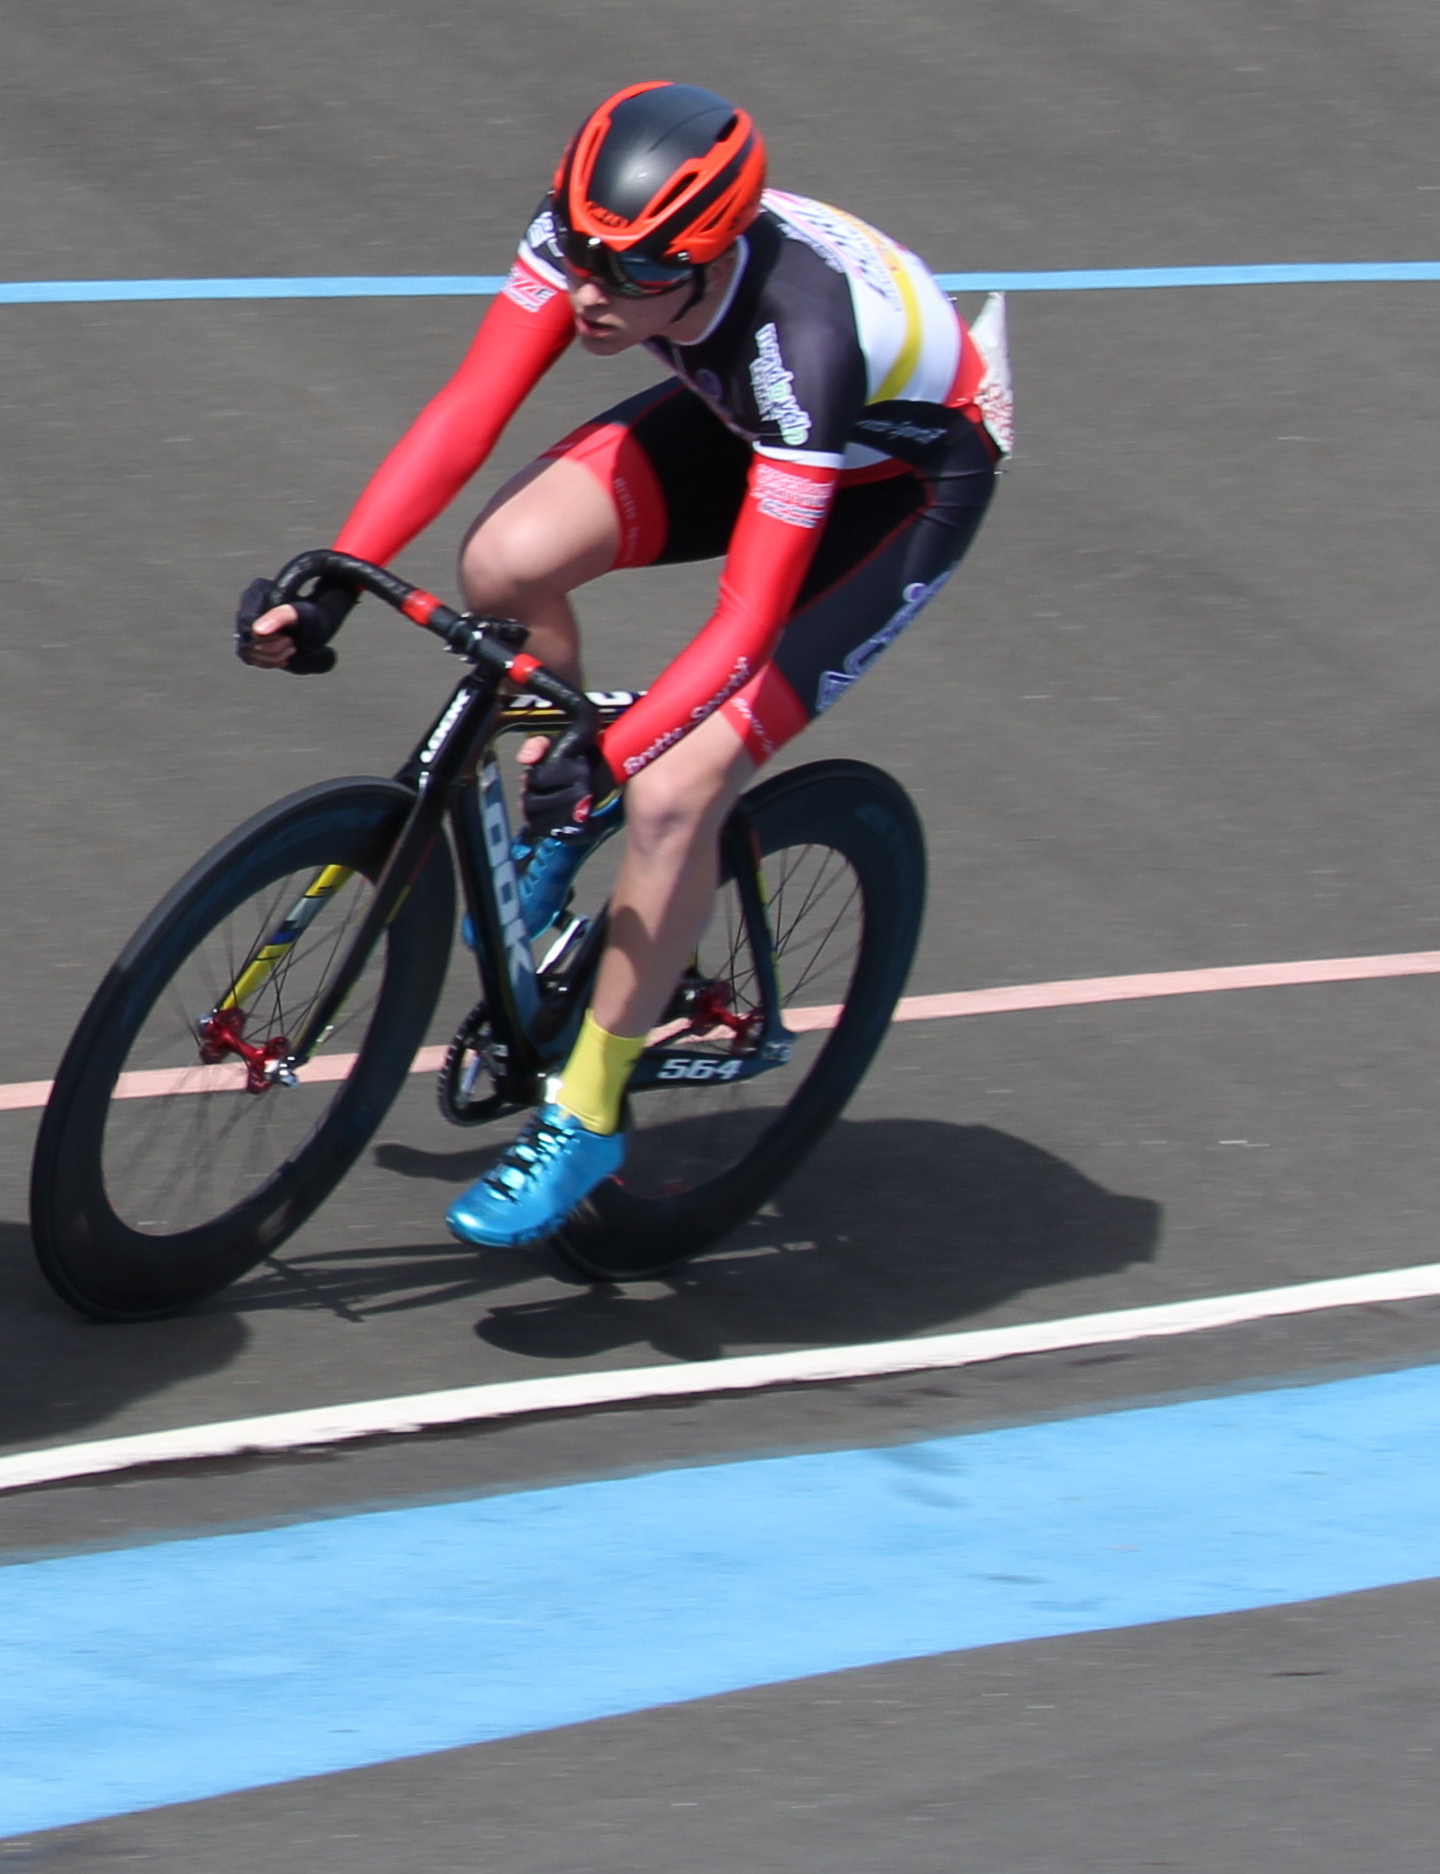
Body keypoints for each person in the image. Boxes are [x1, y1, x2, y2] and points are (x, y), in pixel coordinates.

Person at [240, 80, 1006, 1250]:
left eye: (632, 275)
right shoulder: (605, 246)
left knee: (673, 790)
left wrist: (622, 752)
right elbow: (466, 411)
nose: (590, 295)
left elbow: (746, 622)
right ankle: (558, 830)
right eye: (581, 256)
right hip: (745, 417)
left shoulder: (799, 344)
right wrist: (339, 574)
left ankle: (586, 1112)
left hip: (896, 488)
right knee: (503, 562)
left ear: (708, 260)